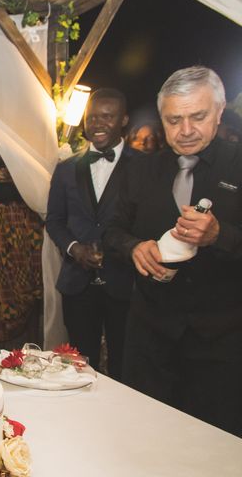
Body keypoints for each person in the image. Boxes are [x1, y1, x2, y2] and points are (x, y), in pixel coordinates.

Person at [104, 66, 242, 436]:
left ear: (219, 109)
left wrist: (220, 235)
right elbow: (112, 231)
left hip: (222, 345)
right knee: (146, 438)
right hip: (149, 338)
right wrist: (134, 247)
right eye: (174, 119)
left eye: (197, 116)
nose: (185, 130)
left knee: (214, 446)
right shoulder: (140, 170)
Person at [46, 88, 138, 381]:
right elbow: (55, 220)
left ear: (123, 120)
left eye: (107, 117)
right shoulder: (65, 169)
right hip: (78, 282)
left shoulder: (144, 168)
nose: (98, 124)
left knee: (127, 362)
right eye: (93, 117)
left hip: (126, 281)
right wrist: (74, 248)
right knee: (81, 366)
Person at [0, 146, 43, 350]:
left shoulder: (32, 162)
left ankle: (34, 342)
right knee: (1, 286)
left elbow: (35, 195)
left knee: (32, 288)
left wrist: (14, 180)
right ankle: (6, 340)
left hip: (28, 233)